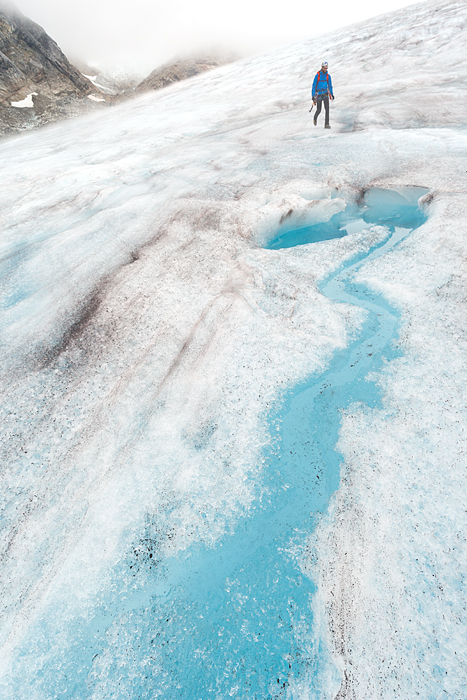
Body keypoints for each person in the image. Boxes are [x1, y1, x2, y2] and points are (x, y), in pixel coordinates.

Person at [312, 61, 334, 129]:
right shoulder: (317, 76)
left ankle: (326, 124)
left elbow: (330, 86)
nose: (326, 69)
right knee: (319, 109)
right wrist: (313, 95)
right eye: (325, 68)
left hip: (325, 94)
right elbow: (314, 86)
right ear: (322, 67)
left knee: (327, 109)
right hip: (318, 94)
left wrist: (332, 94)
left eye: (326, 68)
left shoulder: (328, 76)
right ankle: (315, 117)